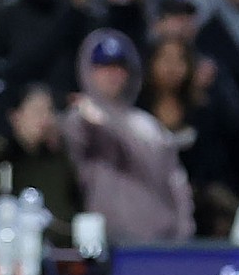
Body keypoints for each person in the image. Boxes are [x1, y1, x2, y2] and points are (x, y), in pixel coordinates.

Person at [59, 29, 194, 245]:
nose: (112, 75)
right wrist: (95, 119)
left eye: (119, 67)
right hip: (105, 244)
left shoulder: (146, 125)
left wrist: (183, 233)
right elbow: (72, 156)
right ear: (88, 70)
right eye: (103, 67)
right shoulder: (79, 120)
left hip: (158, 243)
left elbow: (175, 181)